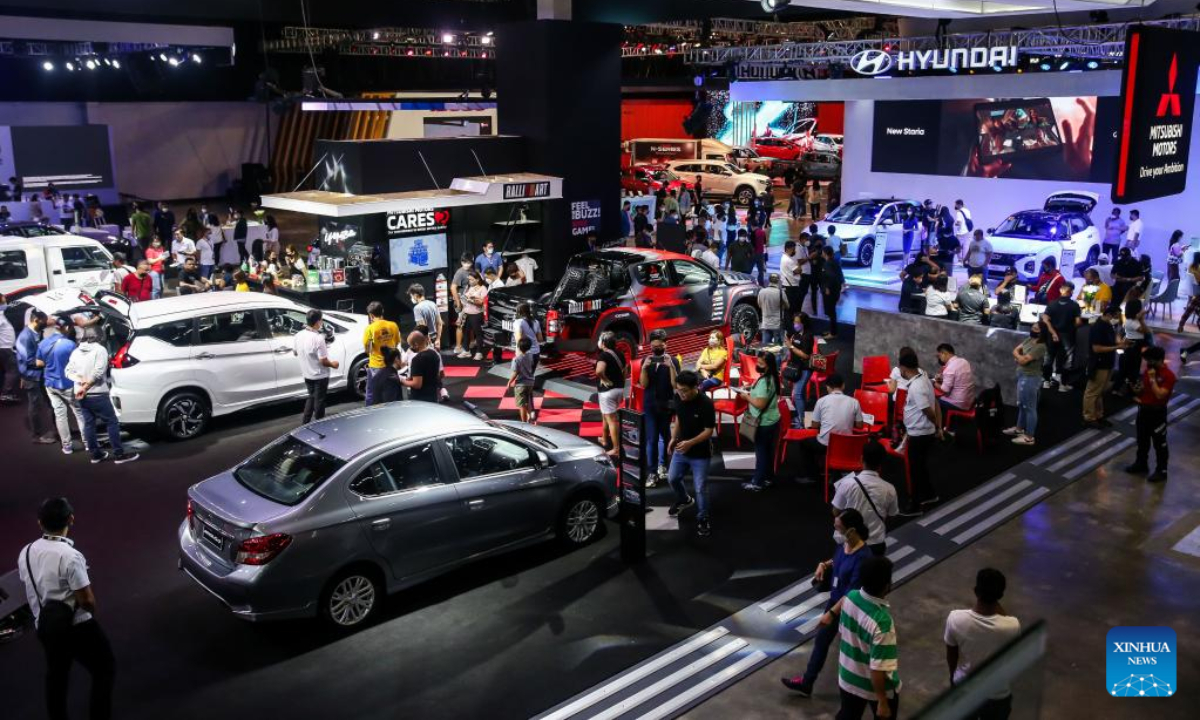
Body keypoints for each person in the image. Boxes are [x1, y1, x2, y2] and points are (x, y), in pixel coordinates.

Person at [18, 497, 116, 720]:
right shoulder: (70, 556)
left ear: (39, 523)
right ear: (71, 519)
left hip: (45, 626)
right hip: (78, 627)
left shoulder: (25, 552)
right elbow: (87, 600)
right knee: (104, 669)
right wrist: (90, 614)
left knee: (57, 677)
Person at [781, 509, 872, 698]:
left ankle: (861, 689)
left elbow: (852, 594)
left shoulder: (863, 558)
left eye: (839, 527)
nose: (835, 530)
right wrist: (825, 564)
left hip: (850, 611)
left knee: (854, 649)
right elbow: (838, 558)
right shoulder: (845, 544)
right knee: (821, 641)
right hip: (834, 601)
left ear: (851, 530)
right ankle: (807, 682)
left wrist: (831, 614)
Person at [944, 569, 1022, 720]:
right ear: (1000, 596)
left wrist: (952, 678)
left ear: (975, 591)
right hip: (997, 694)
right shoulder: (1012, 625)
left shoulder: (955, 618)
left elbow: (951, 655)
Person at [835, 556, 901, 720]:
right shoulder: (882, 622)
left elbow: (843, 633)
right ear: (886, 585)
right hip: (875, 688)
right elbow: (878, 668)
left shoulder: (850, 598)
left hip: (848, 677)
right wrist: (882, 701)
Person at [65, 328, 139, 463]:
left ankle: (95, 455)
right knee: (111, 422)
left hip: (81, 395)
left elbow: (67, 371)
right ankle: (119, 455)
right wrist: (86, 386)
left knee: (89, 424)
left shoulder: (75, 352)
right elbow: (98, 373)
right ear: (98, 337)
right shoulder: (100, 350)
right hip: (96, 393)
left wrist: (80, 381)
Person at [666, 370, 716, 537]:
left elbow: (709, 431)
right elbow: (678, 417)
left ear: (695, 387)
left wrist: (690, 443)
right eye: (679, 390)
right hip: (682, 447)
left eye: (685, 390)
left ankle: (703, 517)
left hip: (700, 452)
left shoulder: (706, 403)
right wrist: (674, 437)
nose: (681, 394)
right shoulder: (678, 397)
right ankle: (684, 499)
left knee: (700, 487)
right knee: (672, 478)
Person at [833, 443, 899, 556]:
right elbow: (892, 515)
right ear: (881, 464)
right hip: (876, 544)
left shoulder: (847, 483)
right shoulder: (890, 489)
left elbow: (835, 511)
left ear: (862, 459)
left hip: (850, 542)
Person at [37, 318, 89, 454]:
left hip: (50, 384)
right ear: (65, 328)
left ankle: (66, 446)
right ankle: (88, 443)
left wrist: (50, 362)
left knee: (60, 415)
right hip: (68, 384)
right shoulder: (70, 344)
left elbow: (38, 363)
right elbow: (79, 364)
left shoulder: (43, 343)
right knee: (79, 413)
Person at [898, 353, 941, 516]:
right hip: (922, 431)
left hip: (920, 434)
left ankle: (914, 505)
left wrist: (937, 425)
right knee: (921, 467)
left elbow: (927, 410)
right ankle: (930, 495)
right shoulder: (923, 377)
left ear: (903, 368)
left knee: (915, 470)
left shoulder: (916, 386)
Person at [798, 373, 863, 482]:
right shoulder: (854, 402)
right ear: (843, 386)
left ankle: (812, 476)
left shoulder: (821, 401)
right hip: (847, 444)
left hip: (825, 444)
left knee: (804, 443)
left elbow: (814, 425)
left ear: (827, 387)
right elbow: (860, 425)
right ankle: (837, 472)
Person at [1125, 346, 1174, 483]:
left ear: (1159, 360)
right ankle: (1141, 464)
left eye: (1150, 360)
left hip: (1157, 414)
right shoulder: (1148, 371)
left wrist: (1152, 379)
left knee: (1160, 444)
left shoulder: (1169, 376)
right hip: (1144, 411)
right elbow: (1143, 390)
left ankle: (1161, 471)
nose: (1147, 363)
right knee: (1142, 440)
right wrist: (1136, 389)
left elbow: (1159, 395)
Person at [738, 351, 782, 492]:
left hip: (763, 423)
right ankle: (768, 478)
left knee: (761, 453)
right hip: (772, 420)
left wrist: (746, 397)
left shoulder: (765, 381)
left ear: (768, 366)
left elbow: (760, 404)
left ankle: (757, 482)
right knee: (768, 452)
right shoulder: (773, 378)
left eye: (761, 364)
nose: (757, 365)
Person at [640, 330, 680, 485]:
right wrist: (644, 368)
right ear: (650, 345)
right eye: (654, 346)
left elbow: (675, 385)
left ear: (666, 344)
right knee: (652, 439)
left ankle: (663, 466)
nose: (657, 349)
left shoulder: (673, 361)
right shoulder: (646, 360)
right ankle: (652, 473)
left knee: (666, 436)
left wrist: (671, 367)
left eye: (660, 346)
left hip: (666, 405)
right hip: (649, 405)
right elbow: (644, 384)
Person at [1082, 304, 1126, 429]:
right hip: (1099, 364)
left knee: (1100, 391)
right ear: (1108, 315)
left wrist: (1120, 342)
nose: (1117, 319)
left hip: (1108, 363)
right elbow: (1096, 348)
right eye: (1115, 316)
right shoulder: (1098, 327)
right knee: (1092, 391)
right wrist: (1117, 347)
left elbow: (1112, 340)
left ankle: (1098, 415)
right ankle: (1088, 417)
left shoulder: (1109, 325)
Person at [293, 309, 339, 424]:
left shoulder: (298, 335)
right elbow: (323, 361)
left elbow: (295, 352)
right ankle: (319, 424)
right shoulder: (318, 338)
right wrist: (333, 365)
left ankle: (305, 422)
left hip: (307, 374)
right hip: (320, 376)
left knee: (312, 397)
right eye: (321, 320)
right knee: (319, 401)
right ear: (318, 322)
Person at [1006, 322, 1047, 446]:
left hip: (1031, 378)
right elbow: (1015, 350)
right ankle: (1019, 429)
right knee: (1022, 405)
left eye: (1036, 328)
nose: (1033, 330)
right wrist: (1020, 357)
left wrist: (1019, 358)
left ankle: (1029, 437)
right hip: (1022, 375)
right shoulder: (1030, 339)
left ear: (1042, 332)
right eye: (1033, 327)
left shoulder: (1041, 346)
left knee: (1030, 408)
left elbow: (1023, 360)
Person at [17, 310, 55, 444]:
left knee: (52, 402)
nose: (47, 323)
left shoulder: (37, 332)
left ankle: (58, 429)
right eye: (44, 321)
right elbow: (29, 361)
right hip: (31, 377)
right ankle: (37, 436)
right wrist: (50, 362)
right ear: (36, 320)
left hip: (40, 375)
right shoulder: (25, 337)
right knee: (35, 406)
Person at [1039, 282, 1081, 391]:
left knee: (1049, 357)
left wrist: (1053, 332)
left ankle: (1046, 381)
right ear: (1071, 292)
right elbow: (1078, 322)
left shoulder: (1052, 304)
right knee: (1066, 360)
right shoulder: (1074, 305)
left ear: (1060, 290)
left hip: (1052, 335)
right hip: (1068, 336)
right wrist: (1071, 326)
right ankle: (1062, 384)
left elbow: (1045, 319)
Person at [594, 331, 628, 457]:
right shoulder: (620, 354)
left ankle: (616, 449)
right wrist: (621, 384)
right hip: (618, 390)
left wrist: (605, 380)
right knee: (605, 415)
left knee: (612, 420)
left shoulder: (603, 356)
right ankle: (604, 438)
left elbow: (599, 371)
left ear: (603, 343)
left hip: (607, 392)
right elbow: (625, 371)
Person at [362, 301, 400, 407]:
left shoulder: (369, 329)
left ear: (371, 315)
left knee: (372, 396)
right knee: (392, 397)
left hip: (376, 367)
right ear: (382, 311)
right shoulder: (393, 325)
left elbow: (368, 350)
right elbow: (396, 343)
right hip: (391, 366)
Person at [787, 312, 816, 428]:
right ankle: (800, 416)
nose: (795, 324)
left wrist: (791, 346)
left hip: (805, 368)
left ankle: (800, 421)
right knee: (802, 393)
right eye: (794, 322)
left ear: (803, 323)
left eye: (798, 322)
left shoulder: (808, 336)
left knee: (797, 394)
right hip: (796, 367)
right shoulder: (797, 334)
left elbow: (805, 355)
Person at [934, 343, 975, 415]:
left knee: (933, 401)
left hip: (957, 404)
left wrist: (934, 383)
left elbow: (945, 389)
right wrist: (943, 379)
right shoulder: (964, 361)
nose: (939, 358)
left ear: (944, 353)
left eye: (939, 356)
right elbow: (959, 379)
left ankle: (939, 425)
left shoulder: (950, 367)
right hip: (969, 403)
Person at [402, 330, 442, 402]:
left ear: (416, 344)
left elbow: (417, 384)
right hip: (433, 396)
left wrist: (403, 381)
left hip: (421, 399)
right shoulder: (434, 354)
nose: (410, 348)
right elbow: (438, 375)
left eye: (411, 345)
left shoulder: (417, 360)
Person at [507, 337, 538, 423]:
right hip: (530, 382)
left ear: (519, 347)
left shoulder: (517, 359)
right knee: (527, 401)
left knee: (522, 405)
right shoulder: (531, 356)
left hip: (521, 384)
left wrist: (509, 382)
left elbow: (516, 372)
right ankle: (531, 418)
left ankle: (524, 424)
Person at [458, 270, 488, 360]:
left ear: (477, 279)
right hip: (467, 314)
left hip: (477, 314)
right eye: (469, 279)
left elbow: (482, 302)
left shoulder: (483, 288)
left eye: (471, 279)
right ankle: (466, 351)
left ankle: (479, 352)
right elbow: (465, 299)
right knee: (465, 333)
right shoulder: (470, 288)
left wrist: (471, 300)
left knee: (478, 333)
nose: (469, 281)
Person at [408, 283, 443, 350]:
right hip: (435, 337)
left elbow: (422, 329)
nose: (411, 298)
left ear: (416, 295)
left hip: (426, 340)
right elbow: (439, 323)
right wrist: (438, 339)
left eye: (411, 296)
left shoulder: (417, 308)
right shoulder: (433, 304)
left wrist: (428, 343)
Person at [757, 273, 789, 347]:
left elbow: (759, 305)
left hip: (765, 323)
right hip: (777, 324)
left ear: (769, 280)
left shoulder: (762, 291)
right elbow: (787, 306)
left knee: (765, 348)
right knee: (778, 349)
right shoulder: (781, 292)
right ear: (778, 281)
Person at [820, 246, 845, 338]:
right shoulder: (835, 262)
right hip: (835, 290)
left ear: (825, 253)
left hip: (830, 292)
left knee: (831, 312)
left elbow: (831, 277)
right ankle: (832, 330)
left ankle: (833, 333)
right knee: (832, 312)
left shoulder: (828, 264)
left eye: (822, 252)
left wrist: (827, 287)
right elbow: (839, 275)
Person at [0, 292, 21, 403]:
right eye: (3, 297)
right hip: (4, 348)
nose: (5, 298)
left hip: (7, 348)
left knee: (11, 371)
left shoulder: (3, 312)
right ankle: (6, 394)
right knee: (13, 371)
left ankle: (9, 392)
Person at [512, 302, 544, 371]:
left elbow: (519, 341)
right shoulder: (536, 322)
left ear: (519, 311)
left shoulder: (518, 322)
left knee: (521, 376)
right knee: (530, 375)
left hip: (524, 353)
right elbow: (540, 339)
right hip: (536, 352)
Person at [1178, 252, 1200, 339]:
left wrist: (1181, 324)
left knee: (1191, 304)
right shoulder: (1199, 267)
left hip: (1192, 288)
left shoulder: (1191, 265)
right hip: (1197, 287)